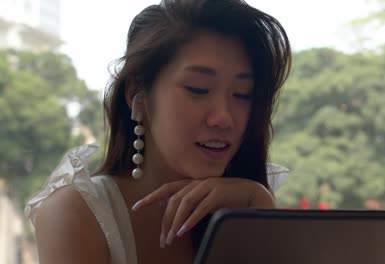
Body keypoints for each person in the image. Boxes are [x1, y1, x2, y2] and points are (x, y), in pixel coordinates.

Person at [24, 0, 291, 263]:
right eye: (198, 89)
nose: (223, 117)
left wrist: (259, 207)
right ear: (136, 94)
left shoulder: (245, 206)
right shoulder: (79, 212)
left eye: (243, 94)